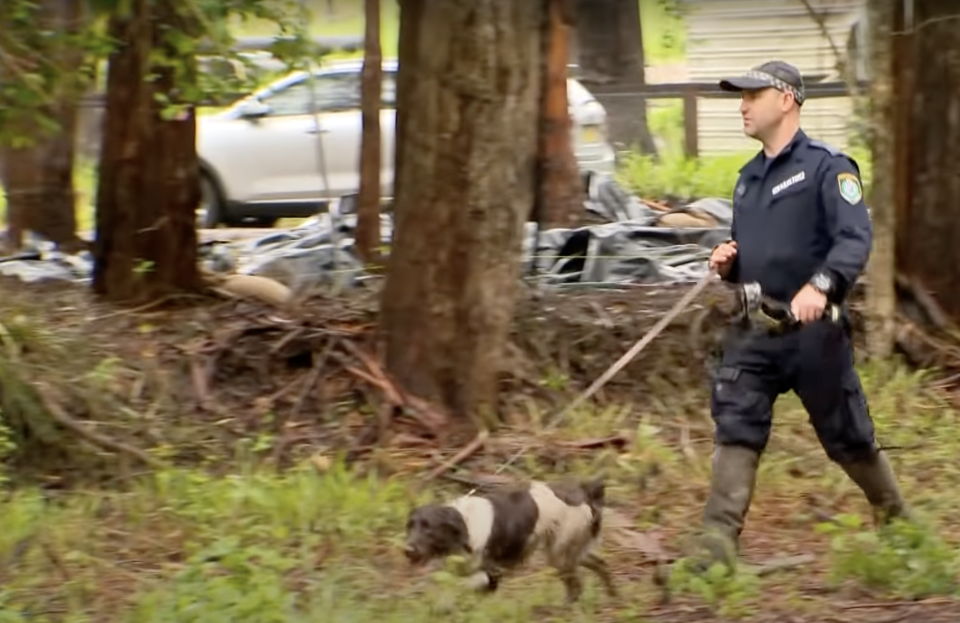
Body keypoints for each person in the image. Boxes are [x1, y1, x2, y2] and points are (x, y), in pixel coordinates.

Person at [693, 60, 910, 569]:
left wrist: (821, 286)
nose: (742, 105)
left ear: (786, 98)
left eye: (752, 95)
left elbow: (855, 238)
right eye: (740, 96)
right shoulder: (747, 180)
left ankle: (899, 524)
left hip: (814, 333)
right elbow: (758, 255)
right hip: (754, 331)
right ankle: (715, 550)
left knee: (847, 434)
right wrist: (729, 264)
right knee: (736, 424)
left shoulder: (828, 167)